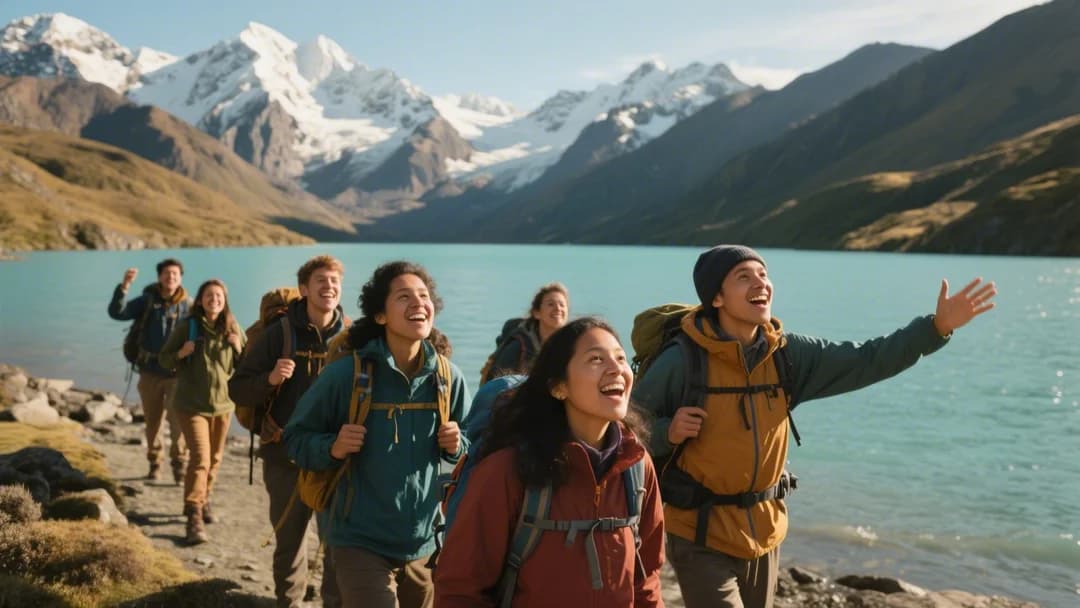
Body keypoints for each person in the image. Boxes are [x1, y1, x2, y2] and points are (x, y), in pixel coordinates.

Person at [632, 244, 997, 608]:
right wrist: (668, 431)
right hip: (699, 531)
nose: (761, 283)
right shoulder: (682, 361)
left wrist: (936, 328)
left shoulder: (788, 356)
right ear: (716, 297)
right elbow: (628, 433)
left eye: (763, 274)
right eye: (744, 277)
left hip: (764, 530)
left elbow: (867, 359)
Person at [435, 317, 666, 608]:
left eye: (620, 357)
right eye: (596, 359)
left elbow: (646, 580)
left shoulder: (636, 466)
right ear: (559, 387)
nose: (616, 368)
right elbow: (460, 590)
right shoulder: (508, 470)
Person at [284, 260, 470, 608]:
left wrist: (459, 446)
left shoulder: (448, 379)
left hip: (424, 544)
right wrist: (333, 447)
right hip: (358, 540)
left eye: (424, 295)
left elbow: (476, 448)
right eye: (404, 297)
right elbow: (295, 438)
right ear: (380, 315)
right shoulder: (346, 376)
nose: (419, 303)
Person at [228, 255, 347, 608]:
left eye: (334, 282)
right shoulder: (277, 334)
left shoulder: (352, 337)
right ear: (304, 289)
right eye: (321, 281)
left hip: (334, 460)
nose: (329, 287)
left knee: (337, 544)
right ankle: (288, 603)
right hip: (284, 456)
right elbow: (237, 389)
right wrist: (269, 379)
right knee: (290, 542)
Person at [159, 279, 244, 544]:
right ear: (200, 299)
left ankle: (202, 500)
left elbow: (247, 365)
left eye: (219, 295)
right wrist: (181, 353)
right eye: (209, 295)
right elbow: (164, 358)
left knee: (215, 459)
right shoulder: (188, 326)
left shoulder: (232, 327)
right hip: (190, 405)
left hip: (223, 406)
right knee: (201, 459)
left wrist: (238, 346)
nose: (214, 299)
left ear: (225, 300)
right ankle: (194, 516)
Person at [107, 258, 192, 483]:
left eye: (175, 273)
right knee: (152, 422)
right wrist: (124, 286)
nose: (170, 277)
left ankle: (179, 465)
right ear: (159, 277)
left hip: (178, 376)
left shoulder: (189, 306)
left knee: (179, 425)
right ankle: (155, 463)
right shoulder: (147, 301)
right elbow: (118, 313)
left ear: (181, 277)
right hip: (150, 374)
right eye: (166, 273)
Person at [480, 282, 570, 384]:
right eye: (551, 304)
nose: (558, 308)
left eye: (562, 305)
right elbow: (496, 388)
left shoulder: (572, 346)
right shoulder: (519, 348)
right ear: (537, 313)